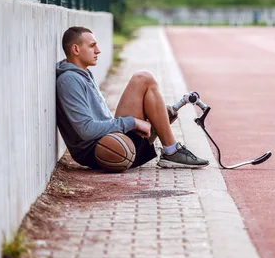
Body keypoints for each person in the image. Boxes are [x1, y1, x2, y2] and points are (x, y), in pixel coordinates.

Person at [56, 26, 209, 170]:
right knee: (142, 78)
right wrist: (134, 122)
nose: (98, 50)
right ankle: (171, 150)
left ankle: (160, 130)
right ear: (75, 49)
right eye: (92, 46)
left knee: (144, 81)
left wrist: (144, 121)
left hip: (108, 140)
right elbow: (86, 130)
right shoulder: (69, 80)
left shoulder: (83, 74)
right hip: (101, 150)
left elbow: (101, 120)